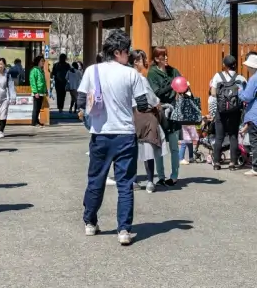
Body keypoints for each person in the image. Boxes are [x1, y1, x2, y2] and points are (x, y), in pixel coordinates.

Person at [77, 30, 151, 246]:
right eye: (127, 52)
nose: (128, 55)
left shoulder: (92, 70)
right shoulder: (131, 74)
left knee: (96, 179)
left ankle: (90, 222)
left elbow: (81, 99)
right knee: (125, 184)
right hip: (125, 135)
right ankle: (124, 230)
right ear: (118, 52)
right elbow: (143, 105)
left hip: (100, 135)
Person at [146, 46, 182, 185]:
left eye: (166, 55)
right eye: (163, 56)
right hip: (159, 112)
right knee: (159, 146)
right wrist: (172, 86)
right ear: (156, 58)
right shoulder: (152, 74)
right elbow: (156, 93)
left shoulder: (173, 71)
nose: (166, 58)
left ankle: (174, 175)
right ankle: (160, 176)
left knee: (174, 146)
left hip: (173, 112)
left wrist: (185, 89)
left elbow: (182, 84)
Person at [131, 50, 165, 192]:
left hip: (129, 115)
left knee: (131, 150)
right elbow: (150, 98)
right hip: (144, 115)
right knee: (148, 149)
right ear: (135, 61)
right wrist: (157, 102)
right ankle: (150, 181)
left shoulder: (124, 77)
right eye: (142, 59)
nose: (145, 62)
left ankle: (132, 181)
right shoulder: (141, 79)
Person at [210, 55, 246, 170]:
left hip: (221, 111)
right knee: (233, 136)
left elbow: (213, 93)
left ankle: (216, 163)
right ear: (235, 65)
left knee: (219, 137)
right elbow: (244, 95)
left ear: (224, 65)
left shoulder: (217, 76)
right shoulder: (240, 78)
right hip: (235, 111)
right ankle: (232, 163)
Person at [30, 56, 47, 128]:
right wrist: (35, 92)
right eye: (41, 61)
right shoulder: (34, 70)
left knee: (39, 108)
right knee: (36, 108)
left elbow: (43, 81)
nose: (43, 63)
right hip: (36, 92)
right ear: (38, 62)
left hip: (41, 91)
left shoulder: (41, 70)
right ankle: (34, 122)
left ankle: (37, 121)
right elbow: (33, 81)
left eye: (43, 61)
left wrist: (45, 90)